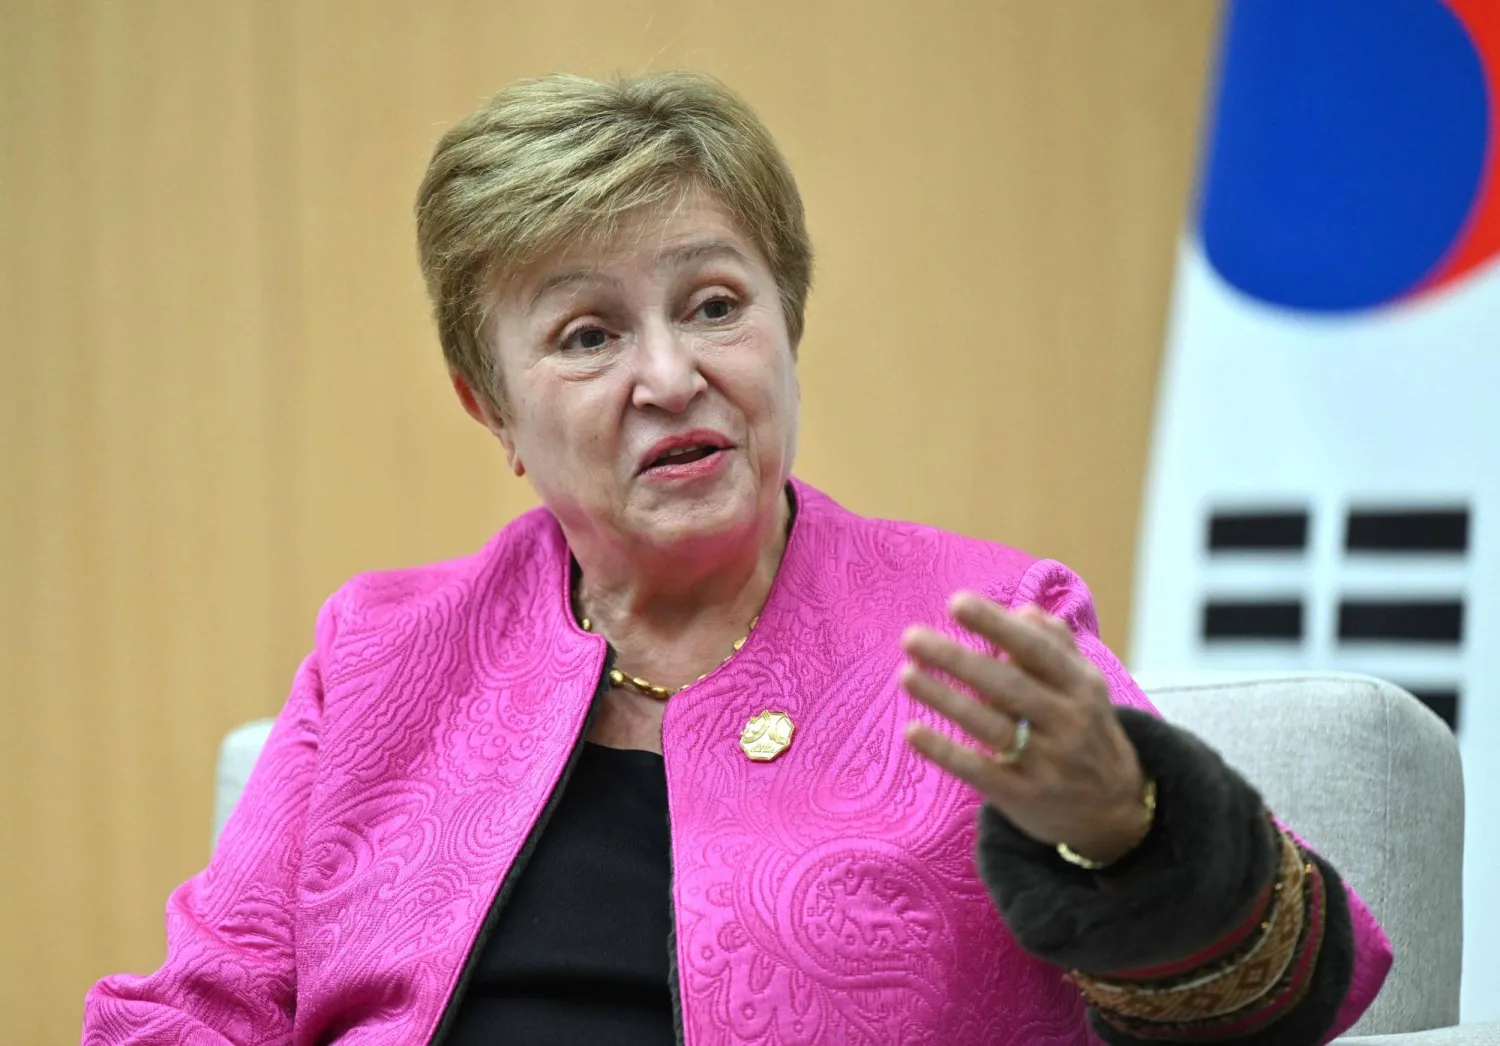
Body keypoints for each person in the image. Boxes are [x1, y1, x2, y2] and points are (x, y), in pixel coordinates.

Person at [83, 71, 1391, 1046]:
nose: (672, 375)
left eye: (715, 305)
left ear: (787, 325)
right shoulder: (380, 654)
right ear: (491, 404)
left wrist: (1128, 830)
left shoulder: (988, 628)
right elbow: (201, 1005)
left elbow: (1291, 1002)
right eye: (588, 334)